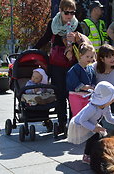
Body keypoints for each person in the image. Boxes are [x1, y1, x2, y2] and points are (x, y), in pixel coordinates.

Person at [33, 0, 83, 134]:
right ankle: (62, 123)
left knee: (72, 95)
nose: (70, 15)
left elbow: (84, 43)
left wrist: (77, 40)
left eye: (72, 12)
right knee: (60, 94)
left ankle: (73, 124)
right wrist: (33, 50)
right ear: (60, 10)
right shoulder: (53, 24)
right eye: (67, 12)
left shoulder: (76, 25)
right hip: (56, 64)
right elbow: (45, 38)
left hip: (72, 64)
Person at [67, 81, 114, 164]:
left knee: (99, 136)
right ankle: (86, 156)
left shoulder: (106, 106)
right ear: (104, 99)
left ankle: (96, 153)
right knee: (94, 137)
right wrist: (94, 128)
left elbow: (109, 118)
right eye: (111, 98)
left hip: (91, 123)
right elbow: (82, 120)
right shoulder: (92, 108)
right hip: (80, 125)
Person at [67, 42, 97, 117]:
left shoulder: (91, 69)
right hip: (76, 96)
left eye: (91, 57)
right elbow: (72, 81)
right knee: (78, 116)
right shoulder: (75, 69)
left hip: (88, 95)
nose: (89, 59)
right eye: (87, 56)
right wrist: (84, 86)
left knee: (87, 116)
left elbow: (93, 80)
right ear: (80, 55)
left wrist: (93, 86)